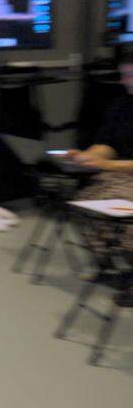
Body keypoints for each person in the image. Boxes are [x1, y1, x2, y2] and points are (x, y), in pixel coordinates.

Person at [64, 53, 133, 305]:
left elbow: (111, 160)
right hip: (120, 174)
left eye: (131, 75)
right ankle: (112, 265)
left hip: (126, 176)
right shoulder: (123, 103)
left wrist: (106, 164)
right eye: (124, 75)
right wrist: (88, 157)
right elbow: (108, 142)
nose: (126, 81)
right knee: (81, 205)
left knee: (122, 211)